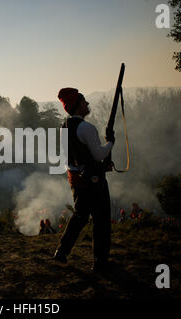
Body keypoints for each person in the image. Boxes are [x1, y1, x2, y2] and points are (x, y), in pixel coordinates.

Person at [53, 88, 115, 272]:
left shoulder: (63, 127)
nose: (87, 104)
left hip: (76, 179)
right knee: (102, 220)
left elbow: (70, 157)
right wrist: (110, 142)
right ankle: (100, 262)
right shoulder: (87, 128)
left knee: (79, 217)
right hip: (93, 180)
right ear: (77, 106)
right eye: (84, 101)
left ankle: (62, 251)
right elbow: (98, 155)